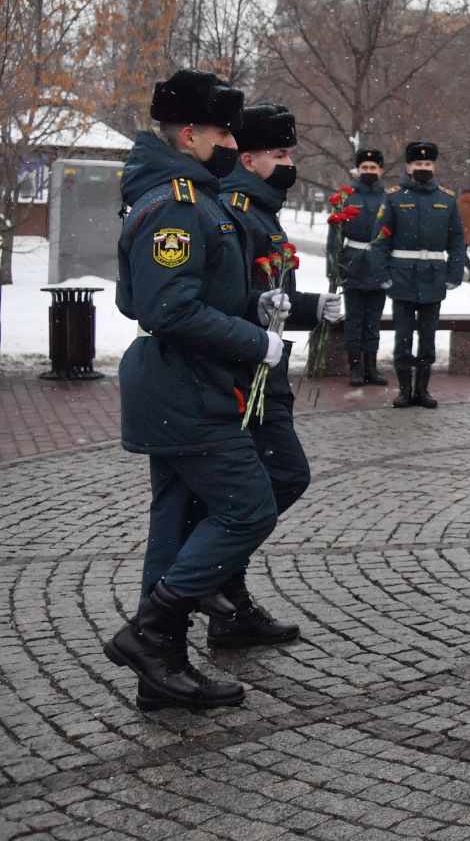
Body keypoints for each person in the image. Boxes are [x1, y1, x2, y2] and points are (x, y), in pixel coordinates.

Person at [104, 69, 282, 712]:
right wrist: (253, 342)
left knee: (175, 523)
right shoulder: (177, 201)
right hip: (184, 387)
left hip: (188, 383)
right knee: (248, 508)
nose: (232, 141)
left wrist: (267, 306)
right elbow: (168, 309)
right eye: (223, 130)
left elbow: (204, 294)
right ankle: (151, 633)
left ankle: (162, 667)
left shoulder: (191, 193)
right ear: (189, 134)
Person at [203, 103, 345, 646]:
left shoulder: (261, 208)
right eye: (280, 154)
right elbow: (233, 299)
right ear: (248, 158)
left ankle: (228, 604)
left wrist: (310, 308)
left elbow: (268, 294)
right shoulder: (237, 209)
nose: (289, 164)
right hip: (244, 371)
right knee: (280, 479)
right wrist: (272, 310)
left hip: (264, 365)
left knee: (261, 488)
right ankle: (211, 582)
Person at [373, 141, 470, 409]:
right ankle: (404, 391)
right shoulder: (394, 198)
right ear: (408, 167)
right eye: (418, 164)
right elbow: (380, 240)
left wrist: (454, 273)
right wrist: (383, 275)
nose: (423, 168)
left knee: (428, 339)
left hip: (433, 278)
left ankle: (422, 391)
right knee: (403, 339)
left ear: (434, 166)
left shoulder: (446, 199)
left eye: (427, 164)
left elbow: (457, 242)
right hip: (401, 279)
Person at [328, 148, 391, 386]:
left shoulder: (388, 198)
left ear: (381, 171)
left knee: (373, 320)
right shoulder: (348, 198)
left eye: (373, 168)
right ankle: (355, 368)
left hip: (378, 266)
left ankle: (371, 367)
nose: (369, 172)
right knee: (354, 319)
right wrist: (333, 268)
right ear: (357, 170)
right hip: (352, 264)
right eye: (364, 168)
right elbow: (333, 238)